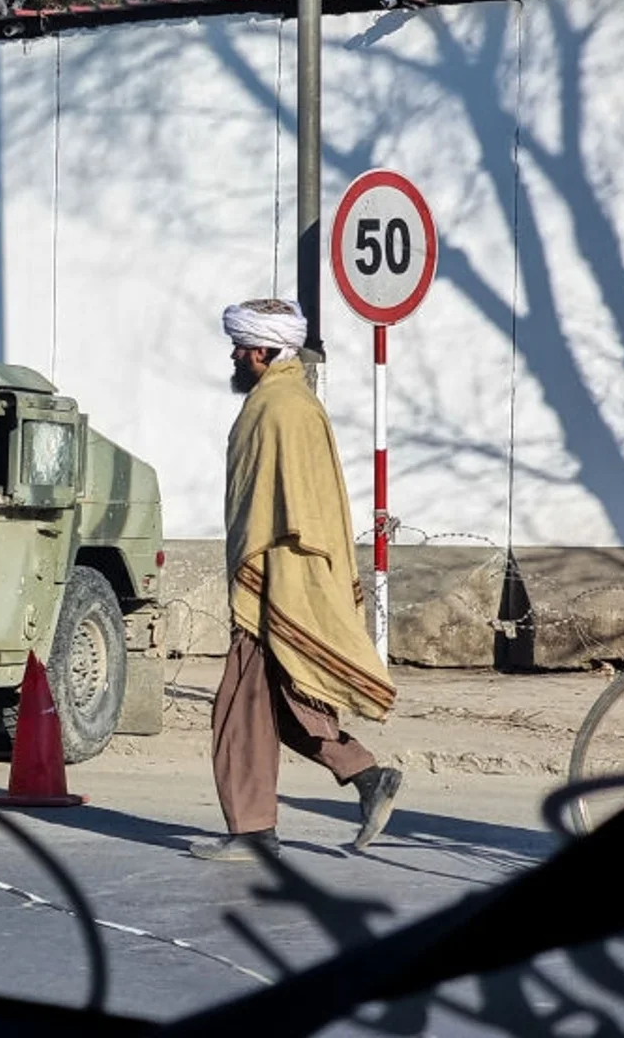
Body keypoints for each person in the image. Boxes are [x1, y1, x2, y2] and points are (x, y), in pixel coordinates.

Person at [191, 298, 404, 861]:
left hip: (277, 582)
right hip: (281, 579)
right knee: (280, 704)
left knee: (240, 710)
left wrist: (271, 585)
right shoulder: (289, 400)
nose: (236, 355)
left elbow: (285, 511)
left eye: (242, 346)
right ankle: (364, 774)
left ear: (262, 350)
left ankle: (254, 833)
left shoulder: (279, 408)